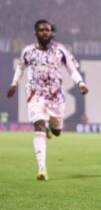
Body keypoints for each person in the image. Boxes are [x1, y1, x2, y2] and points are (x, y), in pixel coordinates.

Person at [6, 19, 88, 180]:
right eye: (42, 30)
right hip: (35, 95)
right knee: (39, 125)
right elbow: (20, 67)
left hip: (56, 97)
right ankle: (42, 168)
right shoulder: (28, 51)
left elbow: (72, 69)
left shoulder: (60, 50)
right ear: (36, 33)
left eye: (48, 30)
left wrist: (81, 82)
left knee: (57, 131)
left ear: (51, 33)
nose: (45, 32)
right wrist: (14, 83)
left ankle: (51, 127)